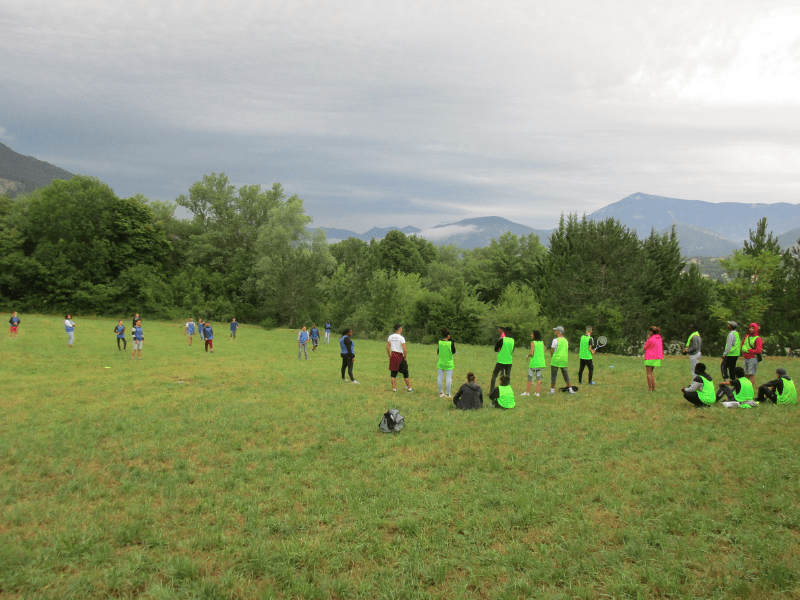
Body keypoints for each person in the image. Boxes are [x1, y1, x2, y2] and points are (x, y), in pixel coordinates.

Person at [387, 324, 413, 392]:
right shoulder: (401, 338)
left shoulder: (390, 337)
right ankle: (409, 388)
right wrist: (405, 357)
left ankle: (394, 389)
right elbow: (404, 349)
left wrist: (389, 355)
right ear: (400, 329)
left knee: (393, 373)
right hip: (399, 356)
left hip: (393, 355)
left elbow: (387, 347)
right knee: (405, 372)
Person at [550, 326, 574, 394]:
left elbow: (552, 350)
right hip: (564, 360)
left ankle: (552, 390)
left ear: (558, 332)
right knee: (566, 375)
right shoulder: (566, 340)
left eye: (556, 330)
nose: (555, 331)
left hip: (556, 360)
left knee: (553, 376)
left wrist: (552, 356)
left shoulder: (555, 340)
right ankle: (570, 389)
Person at [521, 330, 545, 396]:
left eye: (532, 334)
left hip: (534, 363)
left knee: (530, 377)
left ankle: (527, 392)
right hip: (541, 363)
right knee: (539, 378)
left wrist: (527, 356)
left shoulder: (533, 342)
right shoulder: (542, 343)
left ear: (535, 335)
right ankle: (537, 393)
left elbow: (532, 353)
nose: (531, 335)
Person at [490, 326, 514, 391]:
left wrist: (499, 350)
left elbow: (495, 349)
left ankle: (492, 391)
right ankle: (507, 391)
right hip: (509, 361)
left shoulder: (502, 340)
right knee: (507, 377)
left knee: (494, 376)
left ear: (505, 332)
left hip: (501, 360)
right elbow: (512, 350)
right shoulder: (512, 341)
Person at [436, 327, 457, 397]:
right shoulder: (451, 343)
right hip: (449, 363)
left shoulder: (440, 342)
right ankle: (448, 393)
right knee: (448, 378)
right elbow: (453, 351)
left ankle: (441, 393)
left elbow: (438, 351)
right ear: (448, 336)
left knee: (440, 377)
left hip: (441, 362)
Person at [741, 322, 763, 386]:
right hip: (746, 357)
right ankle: (746, 387)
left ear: (756, 329)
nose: (751, 329)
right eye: (750, 328)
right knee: (745, 374)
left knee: (751, 374)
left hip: (753, 358)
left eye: (752, 328)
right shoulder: (746, 336)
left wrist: (748, 350)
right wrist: (743, 348)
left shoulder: (758, 339)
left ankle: (750, 388)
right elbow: (743, 344)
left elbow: (758, 350)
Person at [644, 325, 663, 392]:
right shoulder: (659, 338)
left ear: (651, 332)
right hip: (657, 358)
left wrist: (648, 339)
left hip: (650, 357)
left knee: (649, 373)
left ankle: (650, 388)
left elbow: (645, 348)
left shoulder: (651, 339)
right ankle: (653, 387)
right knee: (651, 373)